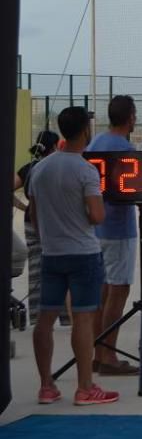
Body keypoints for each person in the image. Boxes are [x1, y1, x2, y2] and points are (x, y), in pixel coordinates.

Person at [29, 106, 119, 405]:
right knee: (82, 318)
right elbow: (96, 215)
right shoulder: (85, 170)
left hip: (51, 253)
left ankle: (46, 385)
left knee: (45, 318)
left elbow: (34, 214)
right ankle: (84, 387)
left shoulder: (40, 169)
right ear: (85, 131)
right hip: (83, 254)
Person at [13, 130, 60, 325]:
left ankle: (36, 316)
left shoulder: (28, 168)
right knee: (62, 269)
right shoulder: (56, 167)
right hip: (53, 223)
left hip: (30, 223)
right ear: (55, 147)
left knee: (36, 271)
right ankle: (66, 316)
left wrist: (23, 207)